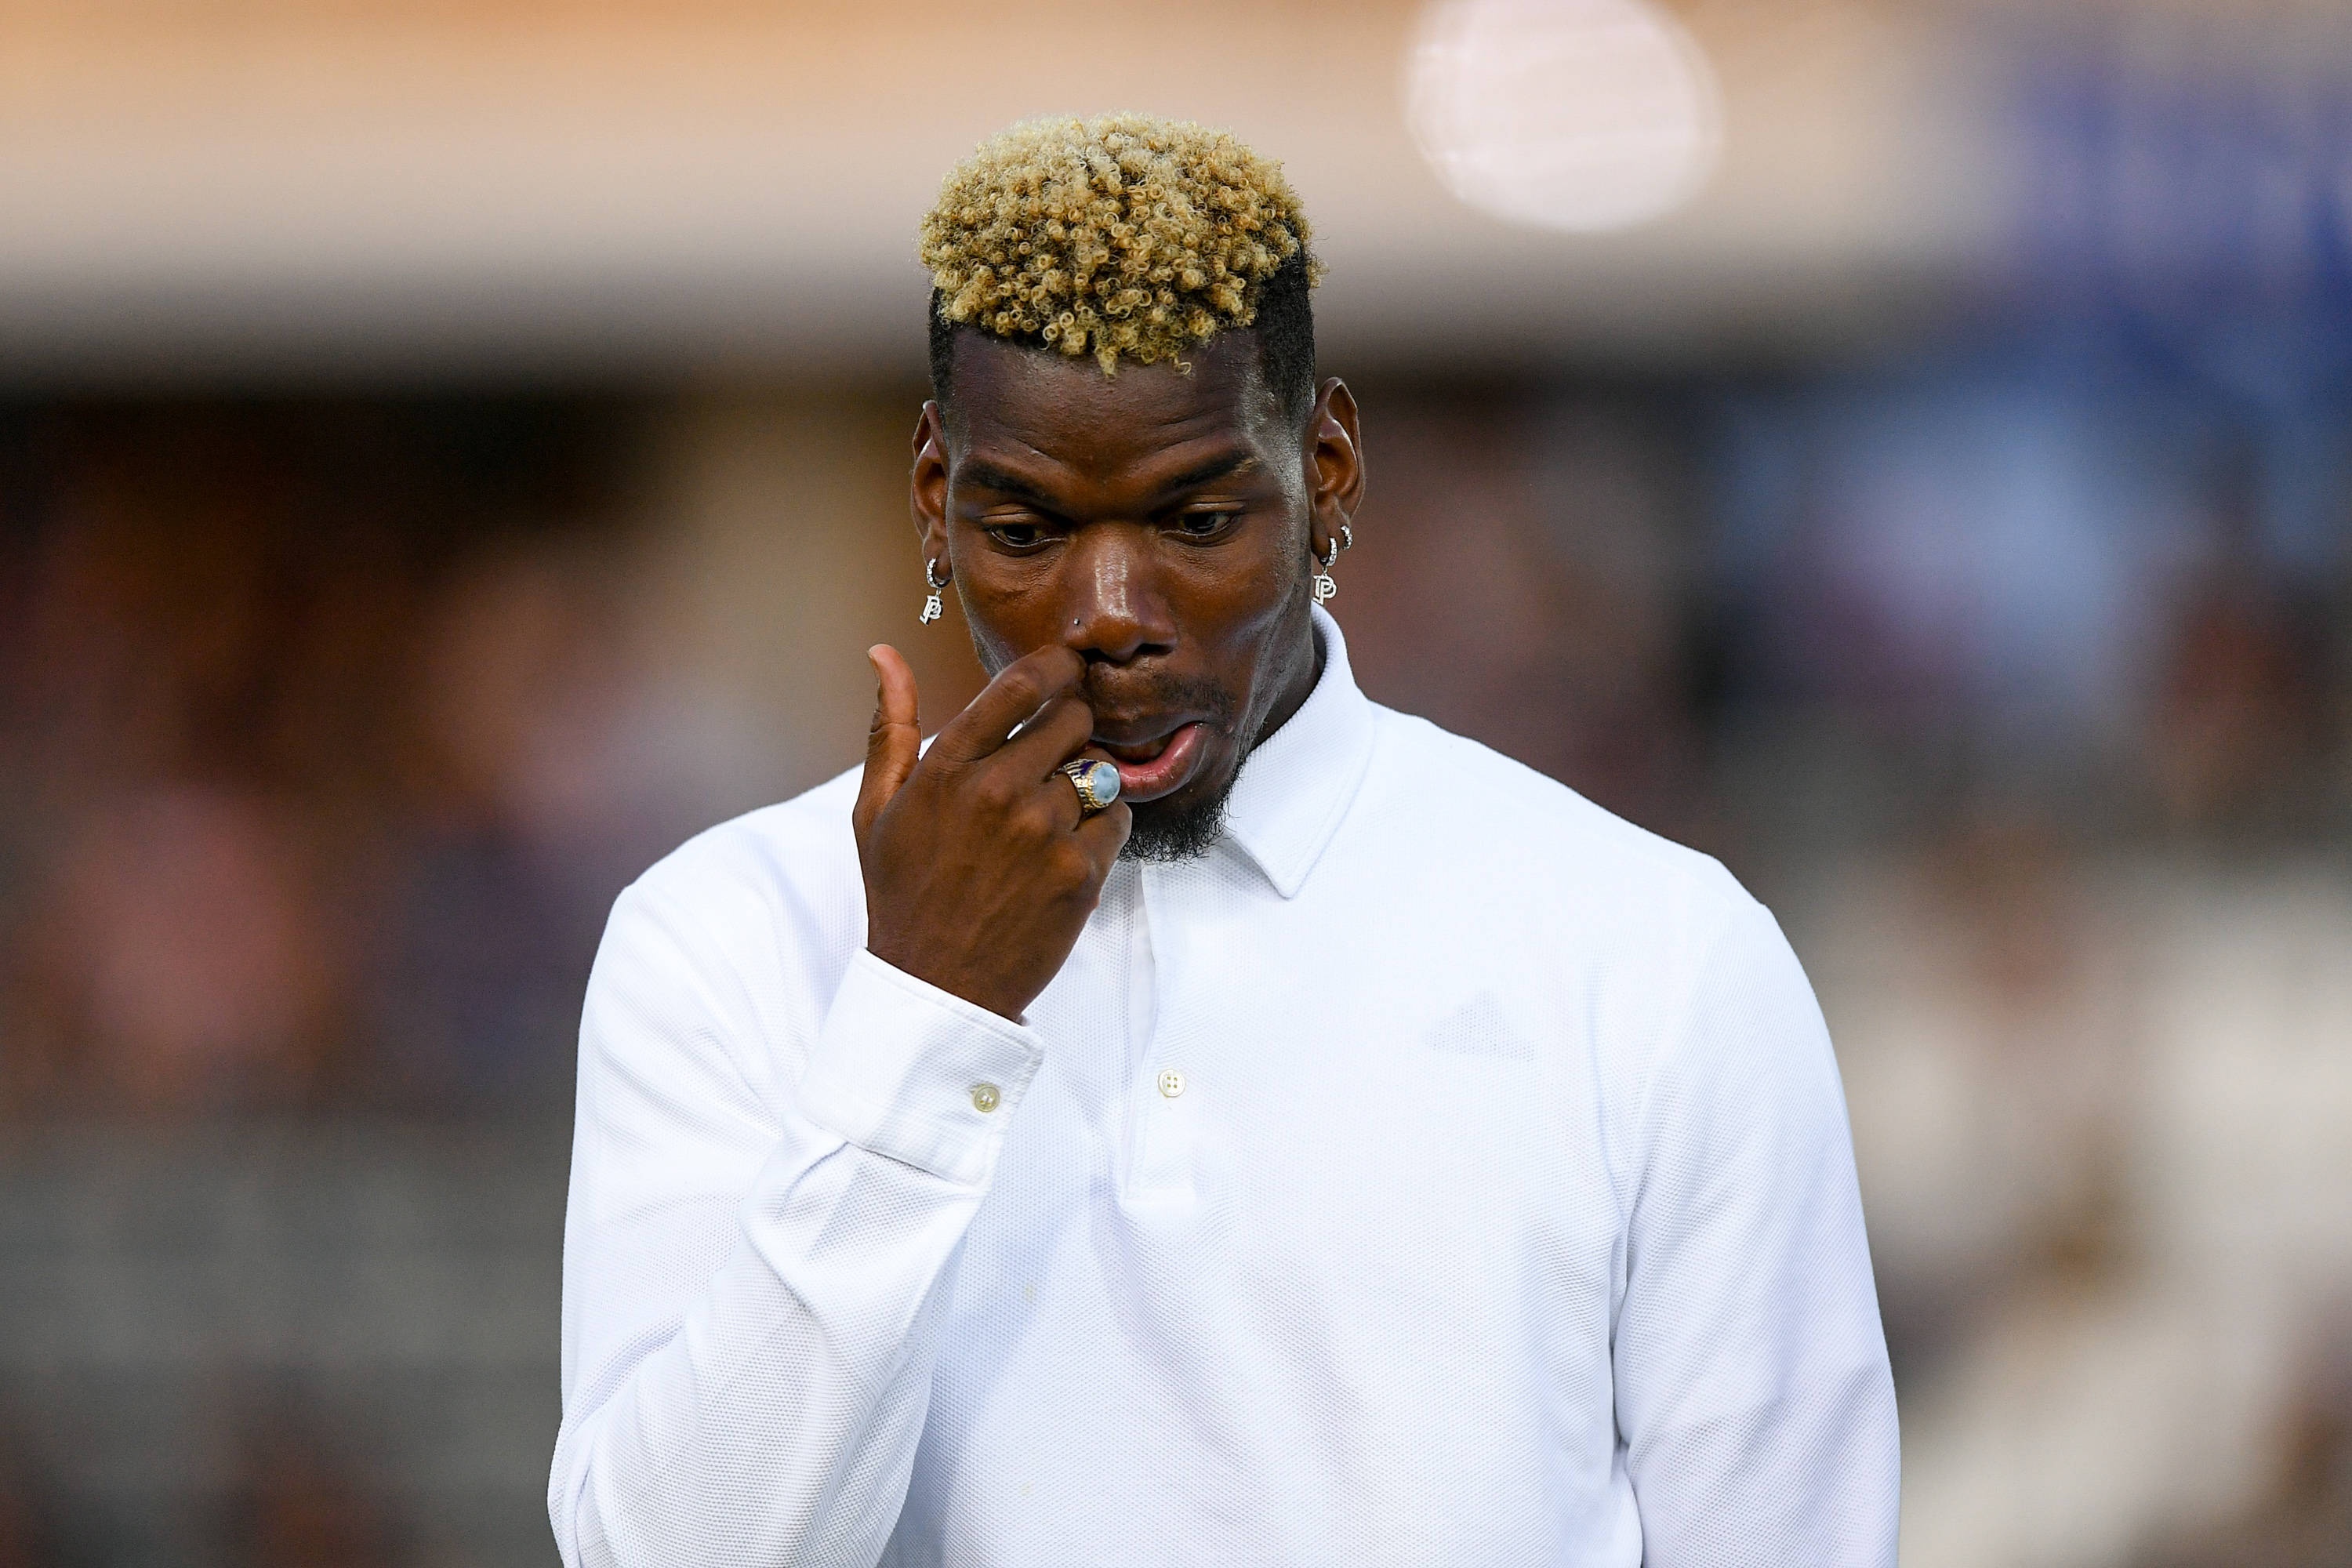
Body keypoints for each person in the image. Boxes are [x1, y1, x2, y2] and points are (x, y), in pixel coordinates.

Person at [548, 114, 1898, 1566]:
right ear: (937, 501)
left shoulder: (1656, 954)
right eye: (1028, 531)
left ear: (1329, 473)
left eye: (1195, 521)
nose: (1110, 615)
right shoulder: (723, 935)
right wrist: (922, 1014)